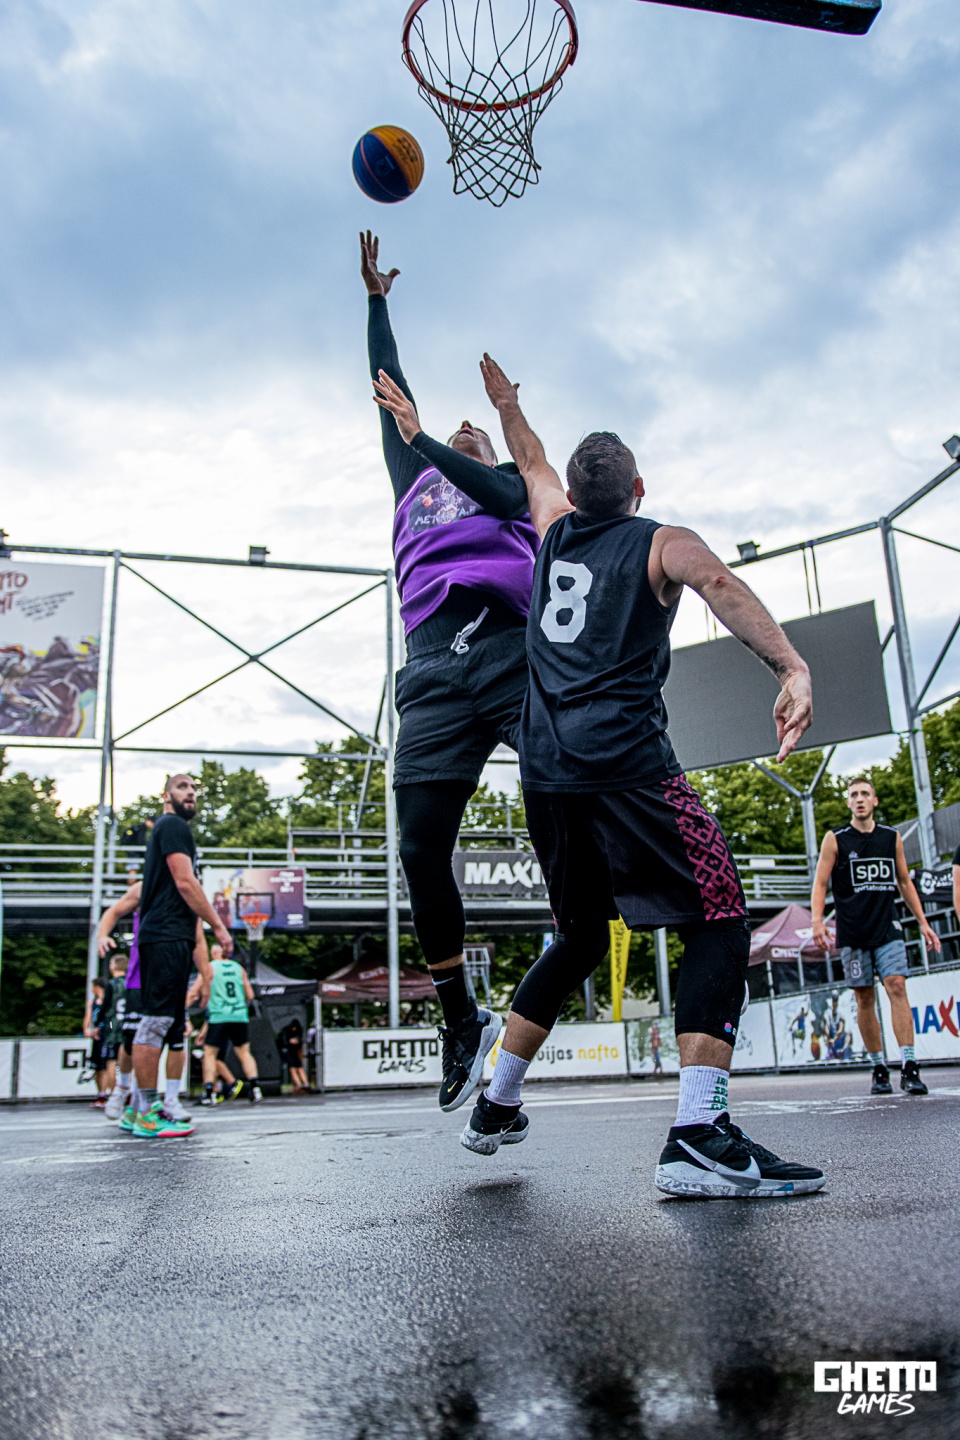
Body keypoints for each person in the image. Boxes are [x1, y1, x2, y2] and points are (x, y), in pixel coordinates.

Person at [376, 354, 826, 1197]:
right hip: (626, 765)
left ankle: (495, 1103)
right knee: (720, 918)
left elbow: (529, 457)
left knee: (581, 934)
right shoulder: (662, 541)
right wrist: (789, 666)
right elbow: (718, 583)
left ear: (572, 493)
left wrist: (507, 406)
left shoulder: (550, 525)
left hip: (547, 775)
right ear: (639, 488)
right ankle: (698, 1133)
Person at [363, 231, 539, 1112]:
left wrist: (435, 437)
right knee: (418, 848)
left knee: (566, 784)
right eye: (453, 426)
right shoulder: (414, 476)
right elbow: (385, 384)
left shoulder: (504, 483)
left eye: (475, 430)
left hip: (507, 647)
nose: (466, 429)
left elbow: (508, 494)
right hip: (431, 666)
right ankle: (460, 1018)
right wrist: (376, 301)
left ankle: (591, 918)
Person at [812, 776, 941, 1095]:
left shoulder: (890, 837)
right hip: (853, 931)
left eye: (865, 794)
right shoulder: (836, 838)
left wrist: (923, 922)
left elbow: (904, 882)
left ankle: (909, 1066)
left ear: (874, 801)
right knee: (864, 997)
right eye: (854, 794)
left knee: (897, 985)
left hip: (888, 927)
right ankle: (878, 1067)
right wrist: (817, 921)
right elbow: (821, 883)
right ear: (848, 802)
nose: (859, 799)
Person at [131, 774, 233, 1138]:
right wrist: (219, 926)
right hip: (164, 936)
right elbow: (186, 882)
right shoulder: (173, 825)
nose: (190, 793)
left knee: (169, 1024)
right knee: (156, 1021)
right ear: (166, 796)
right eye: (182, 787)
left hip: (170, 937)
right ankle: (146, 1113)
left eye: (194, 789)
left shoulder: (167, 828)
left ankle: (139, 1109)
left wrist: (203, 966)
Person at [199, 944, 263, 1105]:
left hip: (219, 1015)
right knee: (244, 1052)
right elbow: (250, 995)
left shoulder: (211, 967)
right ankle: (255, 1088)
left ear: (214, 953)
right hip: (239, 1015)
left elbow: (200, 991)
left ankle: (209, 1092)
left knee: (209, 1053)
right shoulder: (238, 968)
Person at [83, 978, 112, 1105]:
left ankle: (104, 1094)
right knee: (97, 1066)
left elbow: (112, 1019)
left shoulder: (109, 1001)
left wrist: (110, 1030)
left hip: (106, 1036)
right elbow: (88, 1017)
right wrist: (86, 1029)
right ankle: (100, 1092)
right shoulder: (93, 1002)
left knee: (106, 1066)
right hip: (96, 1037)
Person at [279, 1018, 309, 1093]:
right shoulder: (286, 1031)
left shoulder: (295, 1031)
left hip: (293, 1051)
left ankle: (304, 1084)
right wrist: (290, 1042)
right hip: (289, 1051)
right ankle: (300, 1084)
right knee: (293, 1068)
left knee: (298, 1068)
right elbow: (284, 1041)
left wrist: (295, 1042)